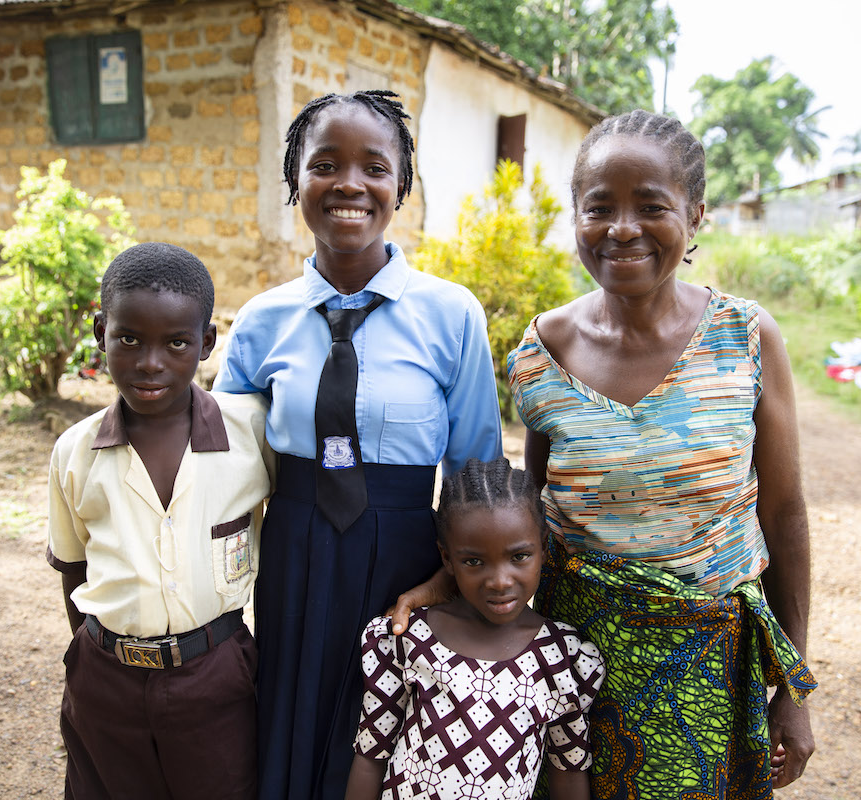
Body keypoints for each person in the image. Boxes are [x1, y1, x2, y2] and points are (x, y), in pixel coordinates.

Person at [507, 110, 817, 799]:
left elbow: (786, 512)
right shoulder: (541, 355)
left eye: (651, 207)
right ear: (576, 217)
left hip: (709, 677)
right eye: (599, 208)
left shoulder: (746, 337)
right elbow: (529, 520)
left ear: (695, 216)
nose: (622, 228)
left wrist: (793, 686)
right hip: (572, 676)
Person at [213, 90, 503, 800]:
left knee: (390, 737)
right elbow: (219, 464)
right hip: (294, 556)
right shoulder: (260, 322)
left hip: (407, 567)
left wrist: (449, 582)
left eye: (375, 166)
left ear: (401, 186)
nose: (350, 184)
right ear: (297, 182)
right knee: (293, 717)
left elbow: (477, 469)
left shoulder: (451, 315)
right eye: (325, 165)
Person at [47, 242, 274, 800]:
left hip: (216, 676)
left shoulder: (252, 435)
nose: (151, 363)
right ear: (101, 332)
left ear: (206, 343)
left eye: (176, 343)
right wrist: (96, 660)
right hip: (106, 681)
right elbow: (72, 569)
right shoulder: (75, 453)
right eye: (128, 339)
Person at [345, 458, 604, 800]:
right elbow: (370, 756)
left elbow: (568, 773)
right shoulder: (409, 639)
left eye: (519, 557)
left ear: (543, 548)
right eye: (473, 562)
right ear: (447, 558)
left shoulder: (562, 659)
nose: (499, 581)